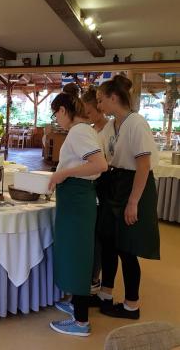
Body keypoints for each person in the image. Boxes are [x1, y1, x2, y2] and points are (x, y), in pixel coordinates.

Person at [92, 74, 160, 320]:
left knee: (127, 248)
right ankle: (106, 294)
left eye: (101, 101)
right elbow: (98, 152)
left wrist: (133, 203)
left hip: (135, 186)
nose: (99, 106)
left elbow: (143, 166)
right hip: (115, 183)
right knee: (109, 243)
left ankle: (132, 305)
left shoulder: (136, 123)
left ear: (114, 97)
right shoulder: (112, 125)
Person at [48, 92, 108, 337]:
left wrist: (63, 174)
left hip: (78, 199)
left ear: (63, 110)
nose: (56, 119)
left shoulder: (79, 131)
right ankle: (75, 305)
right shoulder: (83, 130)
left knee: (78, 255)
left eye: (55, 114)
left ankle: (81, 322)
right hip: (76, 199)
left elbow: (99, 165)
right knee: (74, 252)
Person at [82, 86, 109, 293]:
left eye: (90, 112)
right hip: (92, 184)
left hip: (104, 184)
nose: (88, 116)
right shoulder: (92, 130)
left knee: (98, 235)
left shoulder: (109, 130)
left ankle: (95, 278)